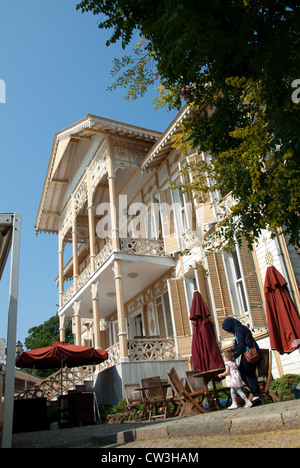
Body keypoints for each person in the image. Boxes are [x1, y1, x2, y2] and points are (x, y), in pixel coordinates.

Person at [222, 317, 262, 406]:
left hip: (248, 354)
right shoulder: (240, 328)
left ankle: (255, 394)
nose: (229, 331)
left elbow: (241, 344)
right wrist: (232, 351)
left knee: (244, 373)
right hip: (252, 354)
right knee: (251, 374)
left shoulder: (238, 329)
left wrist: (234, 356)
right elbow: (236, 344)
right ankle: (257, 395)